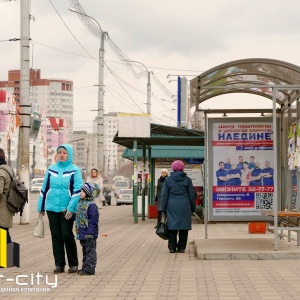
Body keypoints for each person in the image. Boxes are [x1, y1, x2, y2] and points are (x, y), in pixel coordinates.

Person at [37, 144, 83, 274]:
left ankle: (73, 264)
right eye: (59, 153)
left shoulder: (75, 170)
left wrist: (71, 208)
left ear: (69, 154)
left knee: (67, 235)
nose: (61, 155)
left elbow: (77, 190)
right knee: (56, 236)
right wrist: (41, 206)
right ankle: (59, 264)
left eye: (64, 153)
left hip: (66, 209)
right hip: (51, 207)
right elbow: (45, 188)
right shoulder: (51, 169)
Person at [160, 160, 196, 253]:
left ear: (173, 168)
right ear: (182, 168)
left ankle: (172, 247)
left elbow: (164, 195)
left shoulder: (168, 180)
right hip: (185, 204)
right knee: (184, 226)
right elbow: (192, 195)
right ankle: (181, 248)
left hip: (171, 205)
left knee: (172, 225)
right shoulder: (187, 179)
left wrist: (162, 208)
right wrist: (193, 207)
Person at [75, 182, 100, 275]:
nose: (81, 193)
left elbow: (93, 221)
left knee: (90, 251)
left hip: (89, 234)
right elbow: (79, 216)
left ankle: (90, 269)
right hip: (82, 233)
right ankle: (85, 267)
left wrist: (90, 233)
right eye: (81, 191)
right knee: (85, 251)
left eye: (83, 191)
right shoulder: (81, 203)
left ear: (89, 193)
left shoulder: (91, 206)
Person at [0, 148, 14, 244]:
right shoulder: (8, 168)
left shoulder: (1, 171)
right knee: (5, 234)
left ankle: (9, 258)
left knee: (3, 235)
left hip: (2, 209)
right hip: (7, 207)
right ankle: (11, 258)